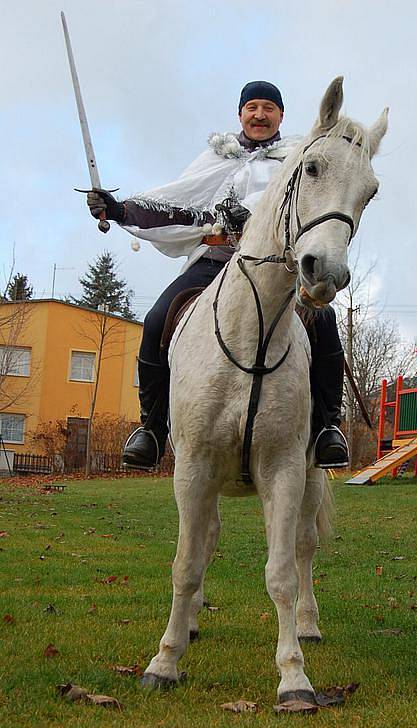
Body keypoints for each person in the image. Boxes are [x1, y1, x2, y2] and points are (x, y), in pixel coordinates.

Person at [87, 81, 349, 471]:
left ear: (281, 115)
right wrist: (119, 208)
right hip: (214, 259)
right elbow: (175, 202)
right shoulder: (215, 157)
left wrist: (258, 217)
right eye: (252, 107)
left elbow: (310, 208)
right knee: (158, 318)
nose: (259, 115)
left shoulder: (297, 159)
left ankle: (328, 426)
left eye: (268, 108)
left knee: (323, 319)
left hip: (273, 266)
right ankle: (152, 428)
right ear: (240, 113)